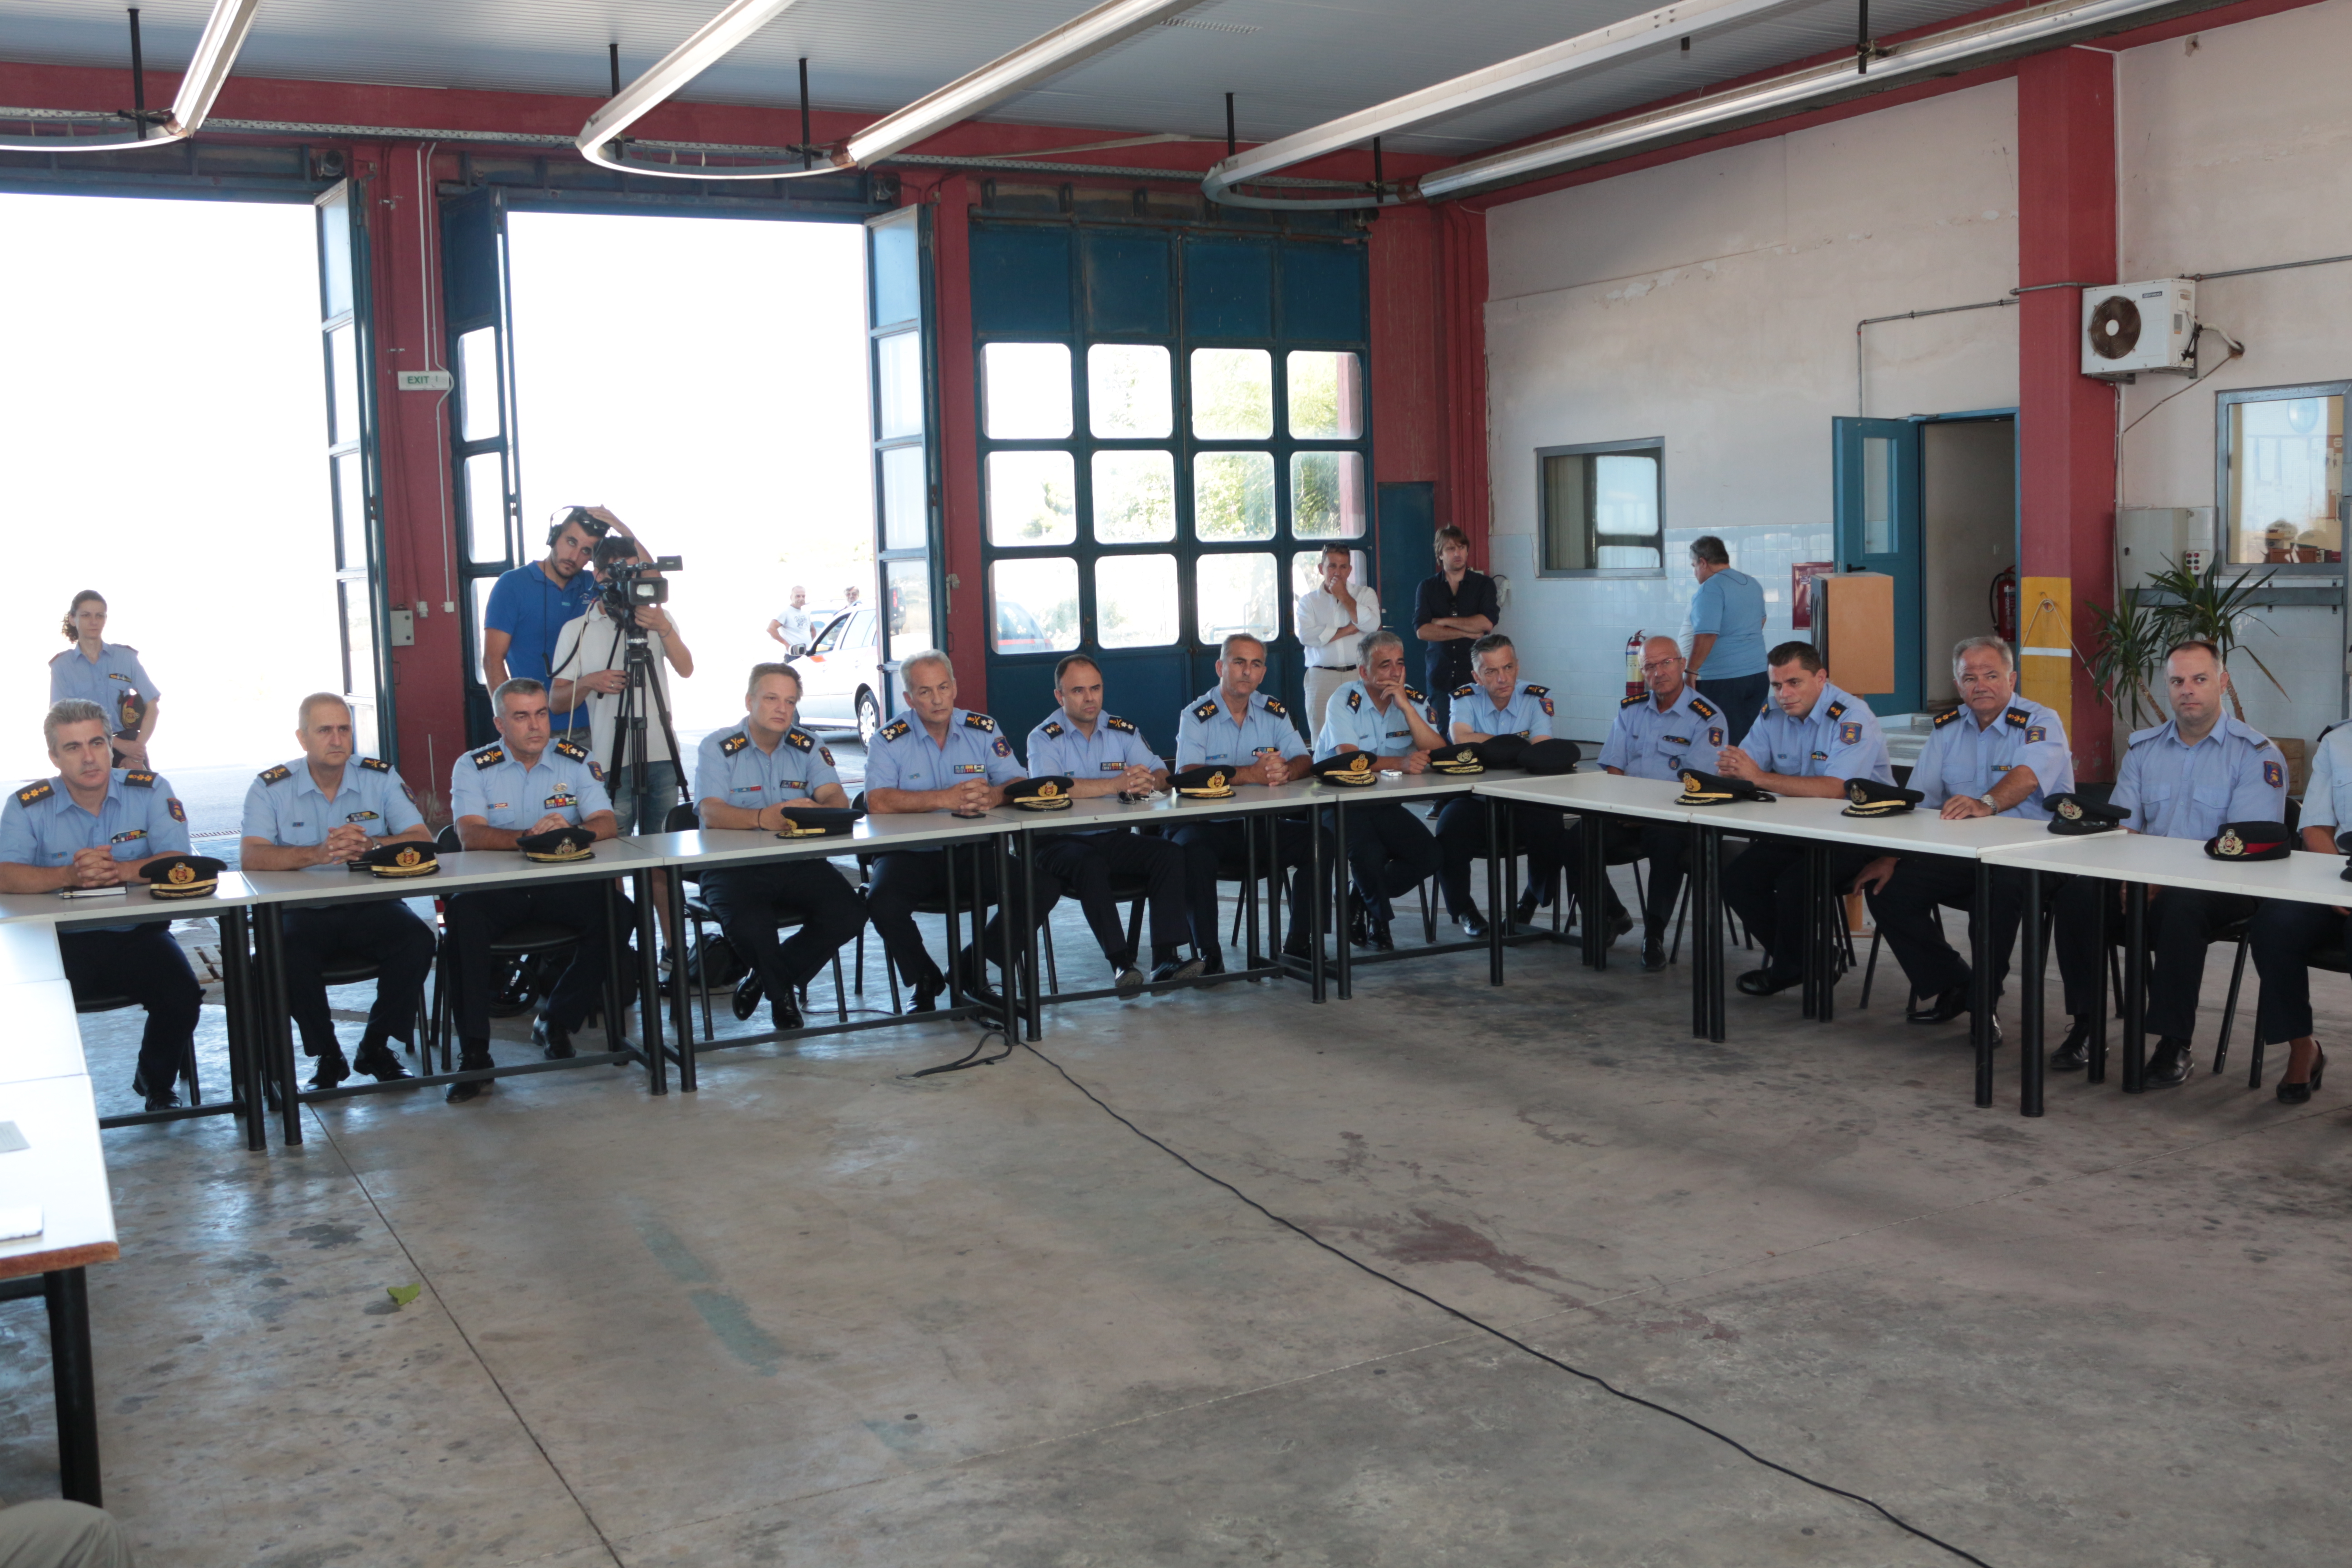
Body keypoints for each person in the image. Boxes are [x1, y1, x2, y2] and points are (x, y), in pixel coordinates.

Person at [2049, 640, 2288, 1087]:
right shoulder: (2143, 750)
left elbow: (2240, 847)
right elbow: (2123, 831)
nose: (2187, 690)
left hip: (2227, 883)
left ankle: (2174, 1042)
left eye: (2200, 679)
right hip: (2145, 877)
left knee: (2182, 907)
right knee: (2078, 895)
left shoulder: (2256, 755)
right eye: (2178, 681)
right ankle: (2087, 1024)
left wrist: (2159, 878)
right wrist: (2132, 877)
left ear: (2223, 683)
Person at [1854, 637, 2072, 1041]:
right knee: (1888, 889)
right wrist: (1891, 856)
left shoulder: (2041, 722)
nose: (1980, 685)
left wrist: (1986, 803)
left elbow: (2027, 778)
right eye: (1970, 678)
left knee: (1996, 892)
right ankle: (1955, 984)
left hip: (2031, 858)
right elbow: (1920, 801)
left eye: (1991, 675)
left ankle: (1984, 1005)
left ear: (2012, 679)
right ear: (1958, 685)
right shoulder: (1948, 729)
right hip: (1964, 856)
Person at [0, 700, 200, 1112]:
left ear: (111, 746)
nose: (89, 757)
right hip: (57, 944)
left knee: (182, 996)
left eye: (96, 743)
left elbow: (179, 859)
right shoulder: (27, 805)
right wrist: (68, 875)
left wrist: (120, 870)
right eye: (73, 747)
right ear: (54, 757)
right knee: (26, 1010)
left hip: (137, 936)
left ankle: (156, 1081)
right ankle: (49, 1105)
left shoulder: (150, 790)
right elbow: (5, 875)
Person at [443, 678, 632, 1103]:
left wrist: (575, 831)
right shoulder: (473, 766)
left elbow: (606, 822)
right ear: (500, 724)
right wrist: (531, 838)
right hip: (498, 890)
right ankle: (475, 1055)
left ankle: (557, 1018)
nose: (535, 726)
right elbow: (469, 834)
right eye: (522, 716)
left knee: (618, 912)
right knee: (462, 917)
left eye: (542, 714)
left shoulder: (575, 760)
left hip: (559, 886)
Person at [238, 693, 436, 1089]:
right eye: (325, 730)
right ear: (302, 738)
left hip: (371, 904)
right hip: (302, 910)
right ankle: (328, 1054)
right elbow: (251, 857)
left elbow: (421, 838)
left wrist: (372, 845)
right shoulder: (270, 787)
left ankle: (376, 1046)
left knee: (418, 941)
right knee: (282, 957)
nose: (336, 739)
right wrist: (316, 853)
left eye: (344, 729)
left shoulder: (380, 777)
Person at [863, 651, 1059, 1010]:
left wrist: (993, 796)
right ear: (909, 698)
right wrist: (945, 798)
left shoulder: (982, 729)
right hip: (908, 854)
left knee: (1041, 886)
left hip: (972, 851)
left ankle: (969, 969)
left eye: (943, 688)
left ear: (955, 687)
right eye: (925, 692)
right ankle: (925, 978)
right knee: (882, 902)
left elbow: (1018, 782)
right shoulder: (888, 739)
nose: (937, 699)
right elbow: (876, 801)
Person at [691, 664, 869, 1032]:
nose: (781, 709)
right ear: (750, 701)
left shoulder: (808, 745)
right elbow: (710, 811)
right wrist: (763, 818)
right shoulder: (719, 747)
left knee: (849, 913)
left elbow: (836, 797)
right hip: (732, 866)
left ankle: (765, 980)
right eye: (772, 698)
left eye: (790, 701)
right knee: (752, 926)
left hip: (796, 862)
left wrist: (818, 809)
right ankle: (782, 996)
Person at [1717, 642, 1893, 998]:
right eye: (1777, 685)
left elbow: (1835, 789)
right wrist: (1734, 771)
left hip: (1858, 833)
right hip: (1799, 830)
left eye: (1794, 683)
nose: (1784, 694)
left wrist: (1759, 778)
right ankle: (1812, 958)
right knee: (1738, 879)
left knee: (1796, 884)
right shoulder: (1773, 712)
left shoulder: (1851, 716)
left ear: (1821, 678)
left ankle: (1791, 966)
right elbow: (1743, 766)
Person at [549, 535, 694, 953]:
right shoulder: (578, 629)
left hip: (661, 756)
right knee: (611, 857)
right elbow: (556, 700)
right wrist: (591, 682)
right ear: (598, 575)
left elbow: (686, 668)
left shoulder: (656, 618)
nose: (629, 581)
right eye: (619, 573)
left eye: (635, 571)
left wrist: (663, 628)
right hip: (611, 760)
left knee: (663, 858)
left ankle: (674, 951)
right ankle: (617, 954)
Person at [1024, 655, 1199, 993]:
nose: (1090, 698)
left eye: (1096, 688)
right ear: (1060, 696)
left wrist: (1149, 781)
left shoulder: (1122, 730)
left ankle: (1165, 959)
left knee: (1169, 854)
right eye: (1078, 691)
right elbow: (1051, 788)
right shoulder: (1043, 738)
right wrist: (1114, 784)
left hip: (1110, 838)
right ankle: (1121, 962)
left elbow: (1163, 774)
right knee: (1089, 864)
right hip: (1058, 842)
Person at [1171, 633, 1326, 965]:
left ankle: (1300, 942)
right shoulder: (1196, 715)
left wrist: (1287, 771)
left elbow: (1304, 759)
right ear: (1220, 668)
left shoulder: (1274, 711)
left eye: (1256, 664)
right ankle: (1208, 954)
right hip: (1205, 826)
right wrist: (1251, 774)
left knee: (1320, 840)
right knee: (1192, 853)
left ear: (1263, 672)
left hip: (1258, 825)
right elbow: (1187, 773)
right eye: (1239, 662)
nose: (1247, 671)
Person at [1588, 635, 1724, 970]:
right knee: (1577, 840)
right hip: (1626, 813)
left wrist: (1649, 812)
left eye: (1666, 663)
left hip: (1674, 818)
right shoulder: (1630, 710)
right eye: (1650, 666)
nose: (1659, 672)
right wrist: (1624, 807)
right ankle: (1614, 914)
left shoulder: (1707, 717)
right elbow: (1614, 767)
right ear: (1642, 672)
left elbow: (1697, 785)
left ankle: (1655, 934)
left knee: (1666, 844)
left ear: (1682, 664)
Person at [1313, 630, 1446, 951]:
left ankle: (1357, 897)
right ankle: (1380, 922)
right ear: (1364, 672)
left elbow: (1439, 751)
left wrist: (1407, 708)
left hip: (1382, 802)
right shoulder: (1344, 699)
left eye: (1400, 663)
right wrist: (1401, 763)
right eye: (1385, 665)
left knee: (1430, 855)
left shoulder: (1411, 698)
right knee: (1368, 853)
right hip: (1336, 801)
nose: (1395, 672)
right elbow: (1350, 759)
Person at [2247, 716, 2352, 1104]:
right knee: (2274, 923)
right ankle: (2302, 1046)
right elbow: (2316, 829)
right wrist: (2337, 887)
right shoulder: (2338, 743)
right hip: (2340, 878)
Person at [1437, 633, 1567, 939]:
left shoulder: (1535, 698)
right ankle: (1465, 909)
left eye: (1508, 668)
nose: (1502, 679)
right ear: (1477, 677)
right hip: (1475, 799)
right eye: (1491, 671)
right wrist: (1514, 746)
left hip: (1525, 798)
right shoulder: (1464, 698)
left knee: (1552, 825)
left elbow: (1542, 750)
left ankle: (1530, 900)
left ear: (1517, 666)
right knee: (1448, 828)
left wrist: (1488, 746)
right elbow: (1460, 738)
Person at [482, 505, 637, 735]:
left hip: (599, 723)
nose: (574, 557)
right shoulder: (512, 584)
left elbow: (648, 580)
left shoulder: (596, 583)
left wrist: (623, 530)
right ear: (554, 537)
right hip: (535, 728)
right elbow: (493, 660)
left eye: (586, 551)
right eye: (571, 542)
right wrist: (509, 724)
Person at [49, 590, 160, 769]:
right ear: (73, 619)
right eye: (86, 615)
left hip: (131, 749)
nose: (94, 622)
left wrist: (136, 753)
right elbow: (60, 721)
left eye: (99, 616)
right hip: (88, 752)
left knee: (143, 787)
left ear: (105, 619)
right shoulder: (62, 666)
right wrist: (117, 744)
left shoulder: (125, 658)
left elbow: (152, 706)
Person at [1412, 525, 1499, 741]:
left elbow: (1486, 623)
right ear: (1440, 554)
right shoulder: (1427, 587)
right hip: (1440, 675)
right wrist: (1468, 632)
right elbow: (1422, 631)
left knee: (1477, 732)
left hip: (1475, 675)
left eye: (1461, 547)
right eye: (1451, 549)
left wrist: (1443, 622)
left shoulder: (1484, 585)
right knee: (1442, 734)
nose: (1457, 553)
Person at [1685, 536, 1770, 745]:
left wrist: (1691, 671)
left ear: (1703, 562)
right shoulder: (1752, 583)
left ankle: (1727, 769)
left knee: (1719, 739)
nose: (1695, 572)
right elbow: (1761, 621)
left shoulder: (1711, 588)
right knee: (1751, 738)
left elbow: (1706, 634)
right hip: (1758, 675)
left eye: (1694, 566)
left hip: (1723, 679)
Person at [1296, 545, 1381, 731]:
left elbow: (1372, 625)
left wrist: (1344, 596)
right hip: (1321, 677)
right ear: (1321, 569)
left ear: (1350, 570)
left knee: (1362, 732)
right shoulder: (1308, 601)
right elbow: (1307, 636)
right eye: (1332, 566)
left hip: (1358, 675)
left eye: (1343, 567)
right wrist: (1348, 630)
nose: (1338, 573)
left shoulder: (1365, 594)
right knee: (1321, 734)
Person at [766, 586, 817, 657]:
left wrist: (813, 644)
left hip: (808, 653)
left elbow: (813, 630)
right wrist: (787, 645)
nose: (801, 599)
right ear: (791, 597)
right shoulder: (786, 612)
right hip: (793, 655)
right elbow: (771, 629)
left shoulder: (805, 613)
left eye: (803, 596)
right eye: (798, 596)